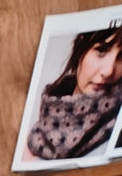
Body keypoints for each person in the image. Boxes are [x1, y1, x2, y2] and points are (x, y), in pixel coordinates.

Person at [26, 23, 122, 161]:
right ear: (80, 49)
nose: (108, 71)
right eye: (101, 50)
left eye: (121, 56)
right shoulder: (35, 137)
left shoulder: (118, 130)